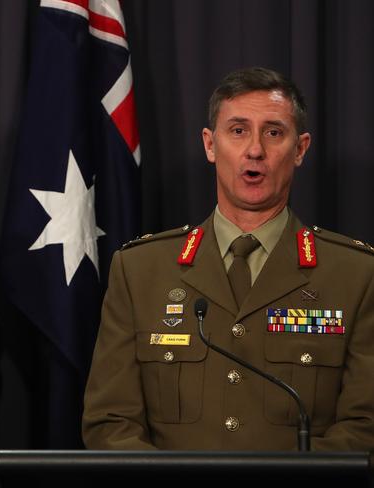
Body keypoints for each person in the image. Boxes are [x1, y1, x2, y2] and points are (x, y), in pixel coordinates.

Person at [82, 67, 374, 450]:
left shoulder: (355, 275)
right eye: (238, 130)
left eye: (273, 132)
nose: (255, 149)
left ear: (300, 148)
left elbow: (364, 428)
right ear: (210, 144)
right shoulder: (139, 271)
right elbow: (110, 425)